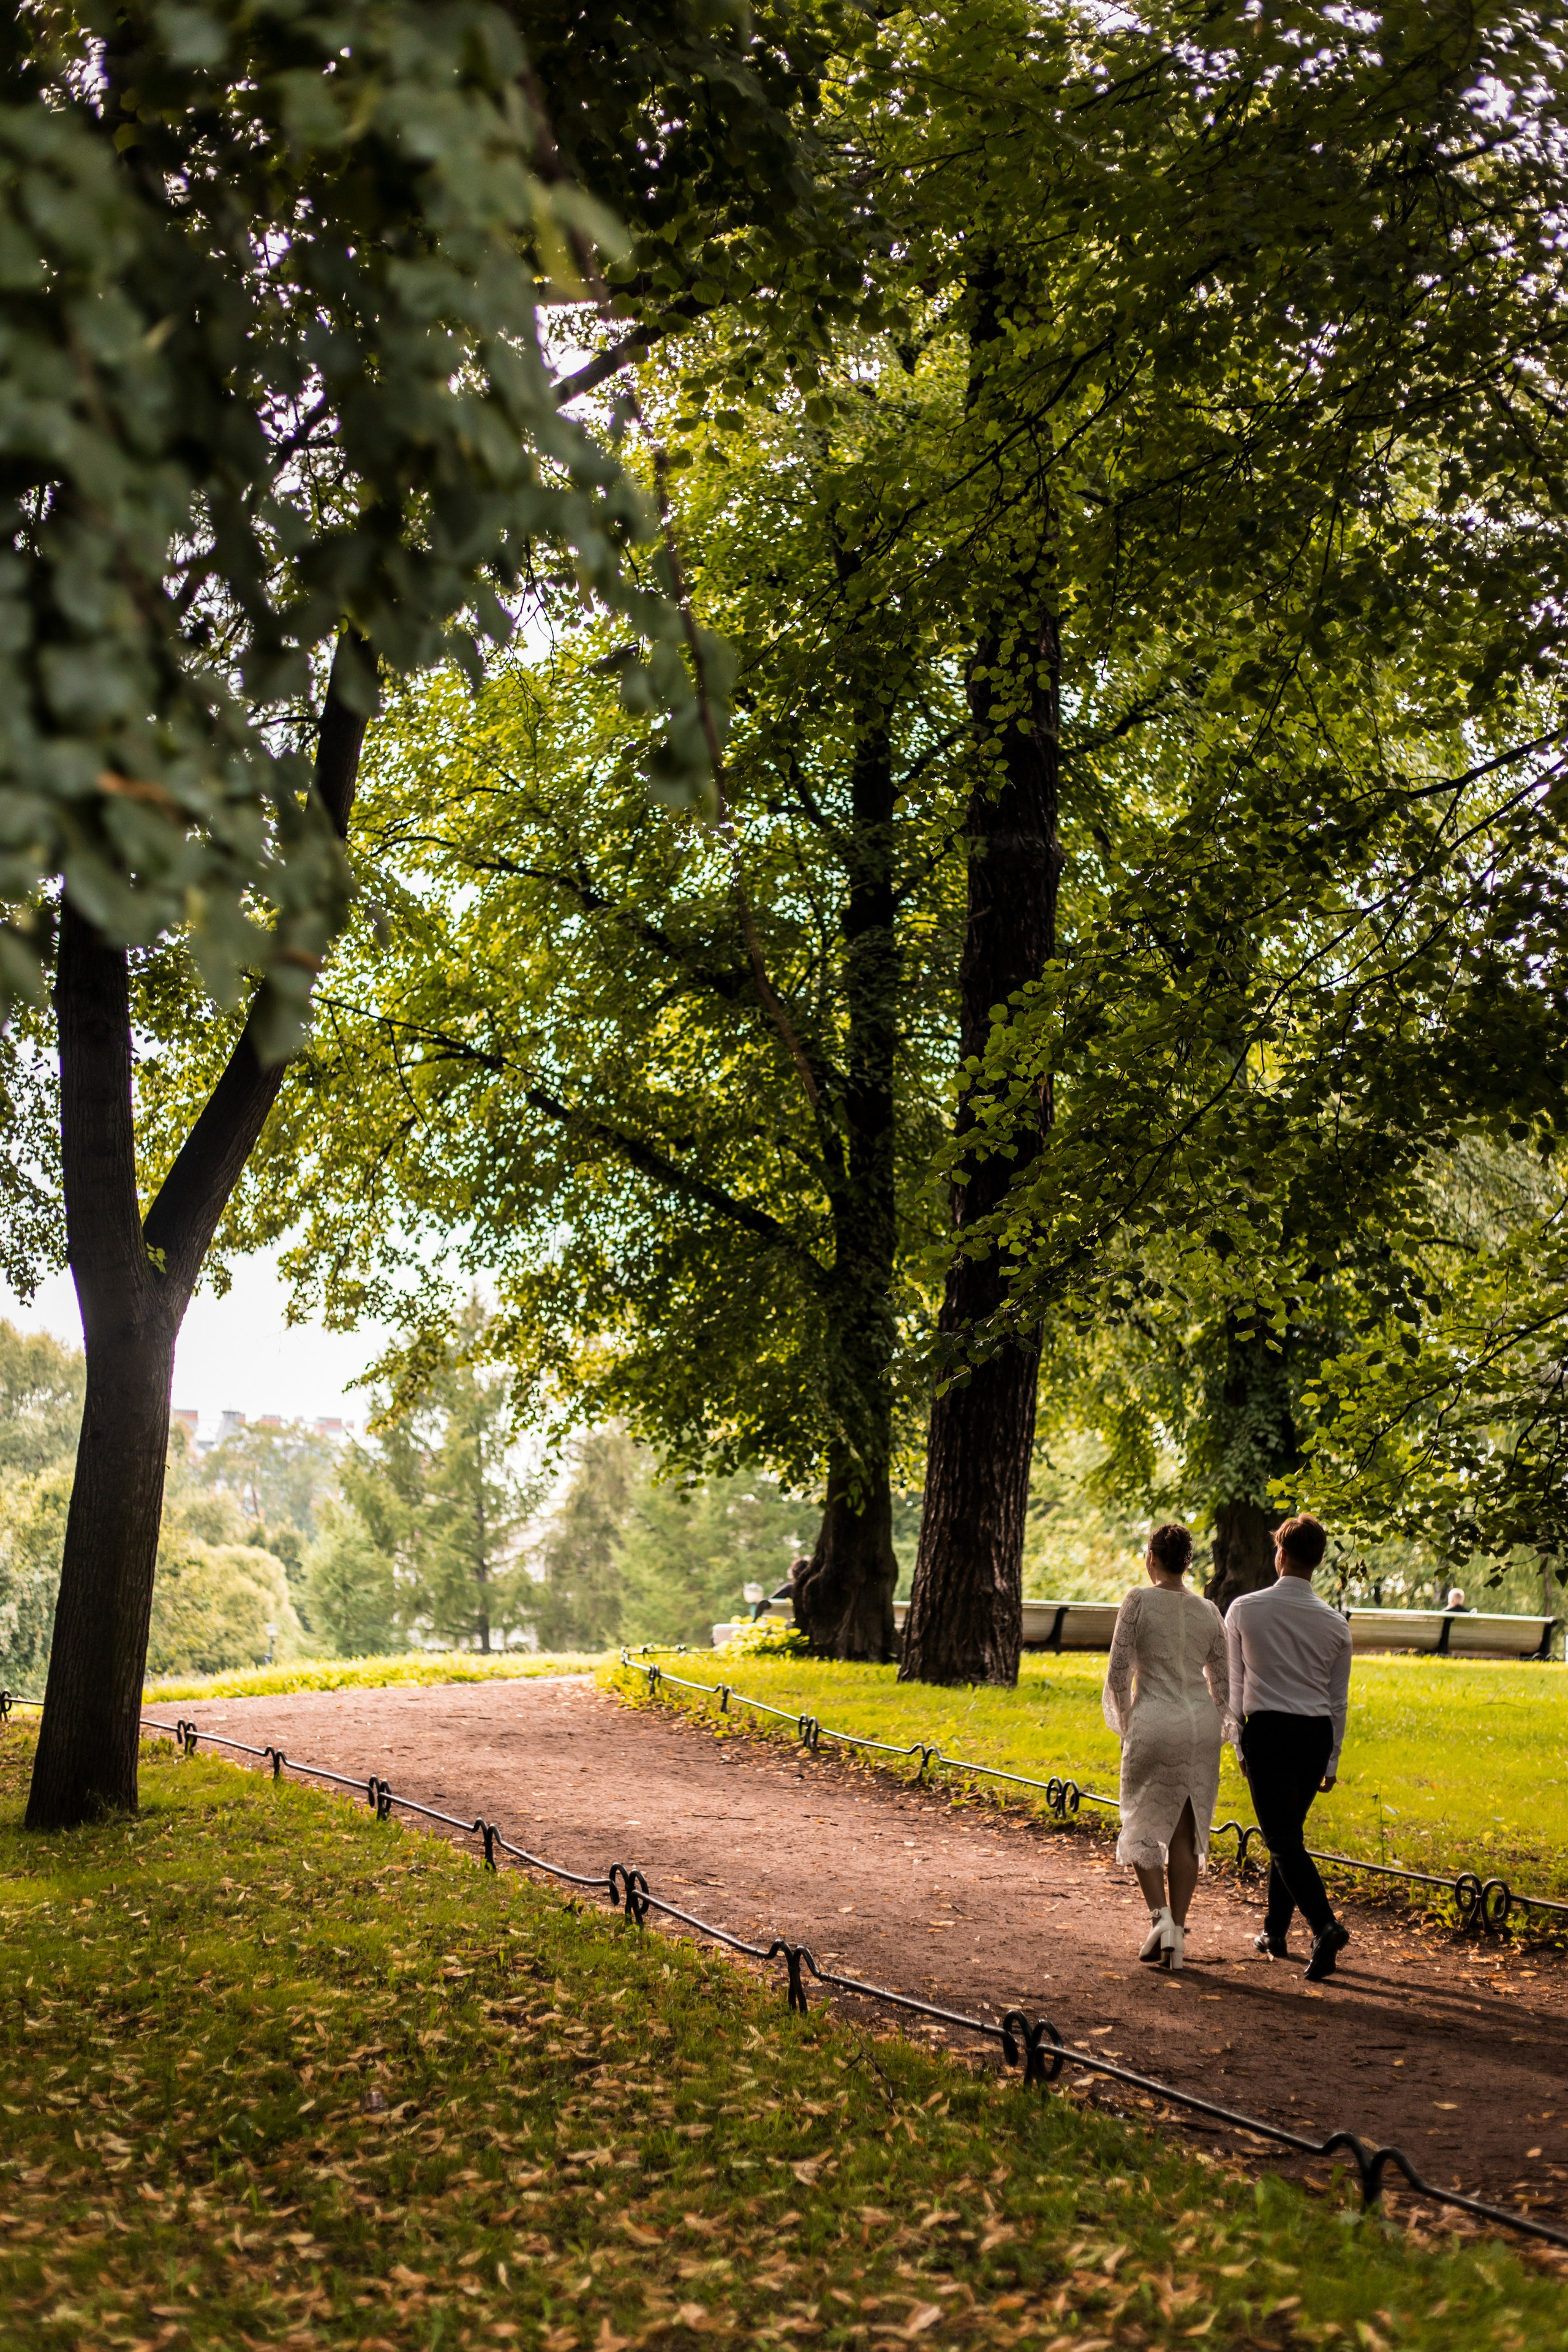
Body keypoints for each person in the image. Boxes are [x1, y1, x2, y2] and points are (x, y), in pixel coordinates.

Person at [1226, 1513, 1354, 1983]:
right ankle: (1275, 1932)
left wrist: (1237, 1741)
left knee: (1281, 1839)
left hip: (1270, 1732)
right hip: (1315, 1735)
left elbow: (1232, 1686)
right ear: (1317, 1562)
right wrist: (1333, 1758)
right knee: (1289, 1836)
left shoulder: (1244, 1609)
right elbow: (1338, 1701)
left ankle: (1325, 1926)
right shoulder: (1336, 1625)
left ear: (1279, 1553)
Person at [1102, 1522, 1233, 1971]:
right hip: (1200, 1727)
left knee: (1139, 1822)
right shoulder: (1209, 1611)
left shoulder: (1138, 1601)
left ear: (1151, 1558)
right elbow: (1223, 1685)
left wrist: (1126, 1723)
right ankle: (1176, 1933)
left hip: (1156, 1719)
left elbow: (1119, 1674)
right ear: (1187, 1563)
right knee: (1184, 1832)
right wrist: (1218, 1727)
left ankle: (1161, 1919)